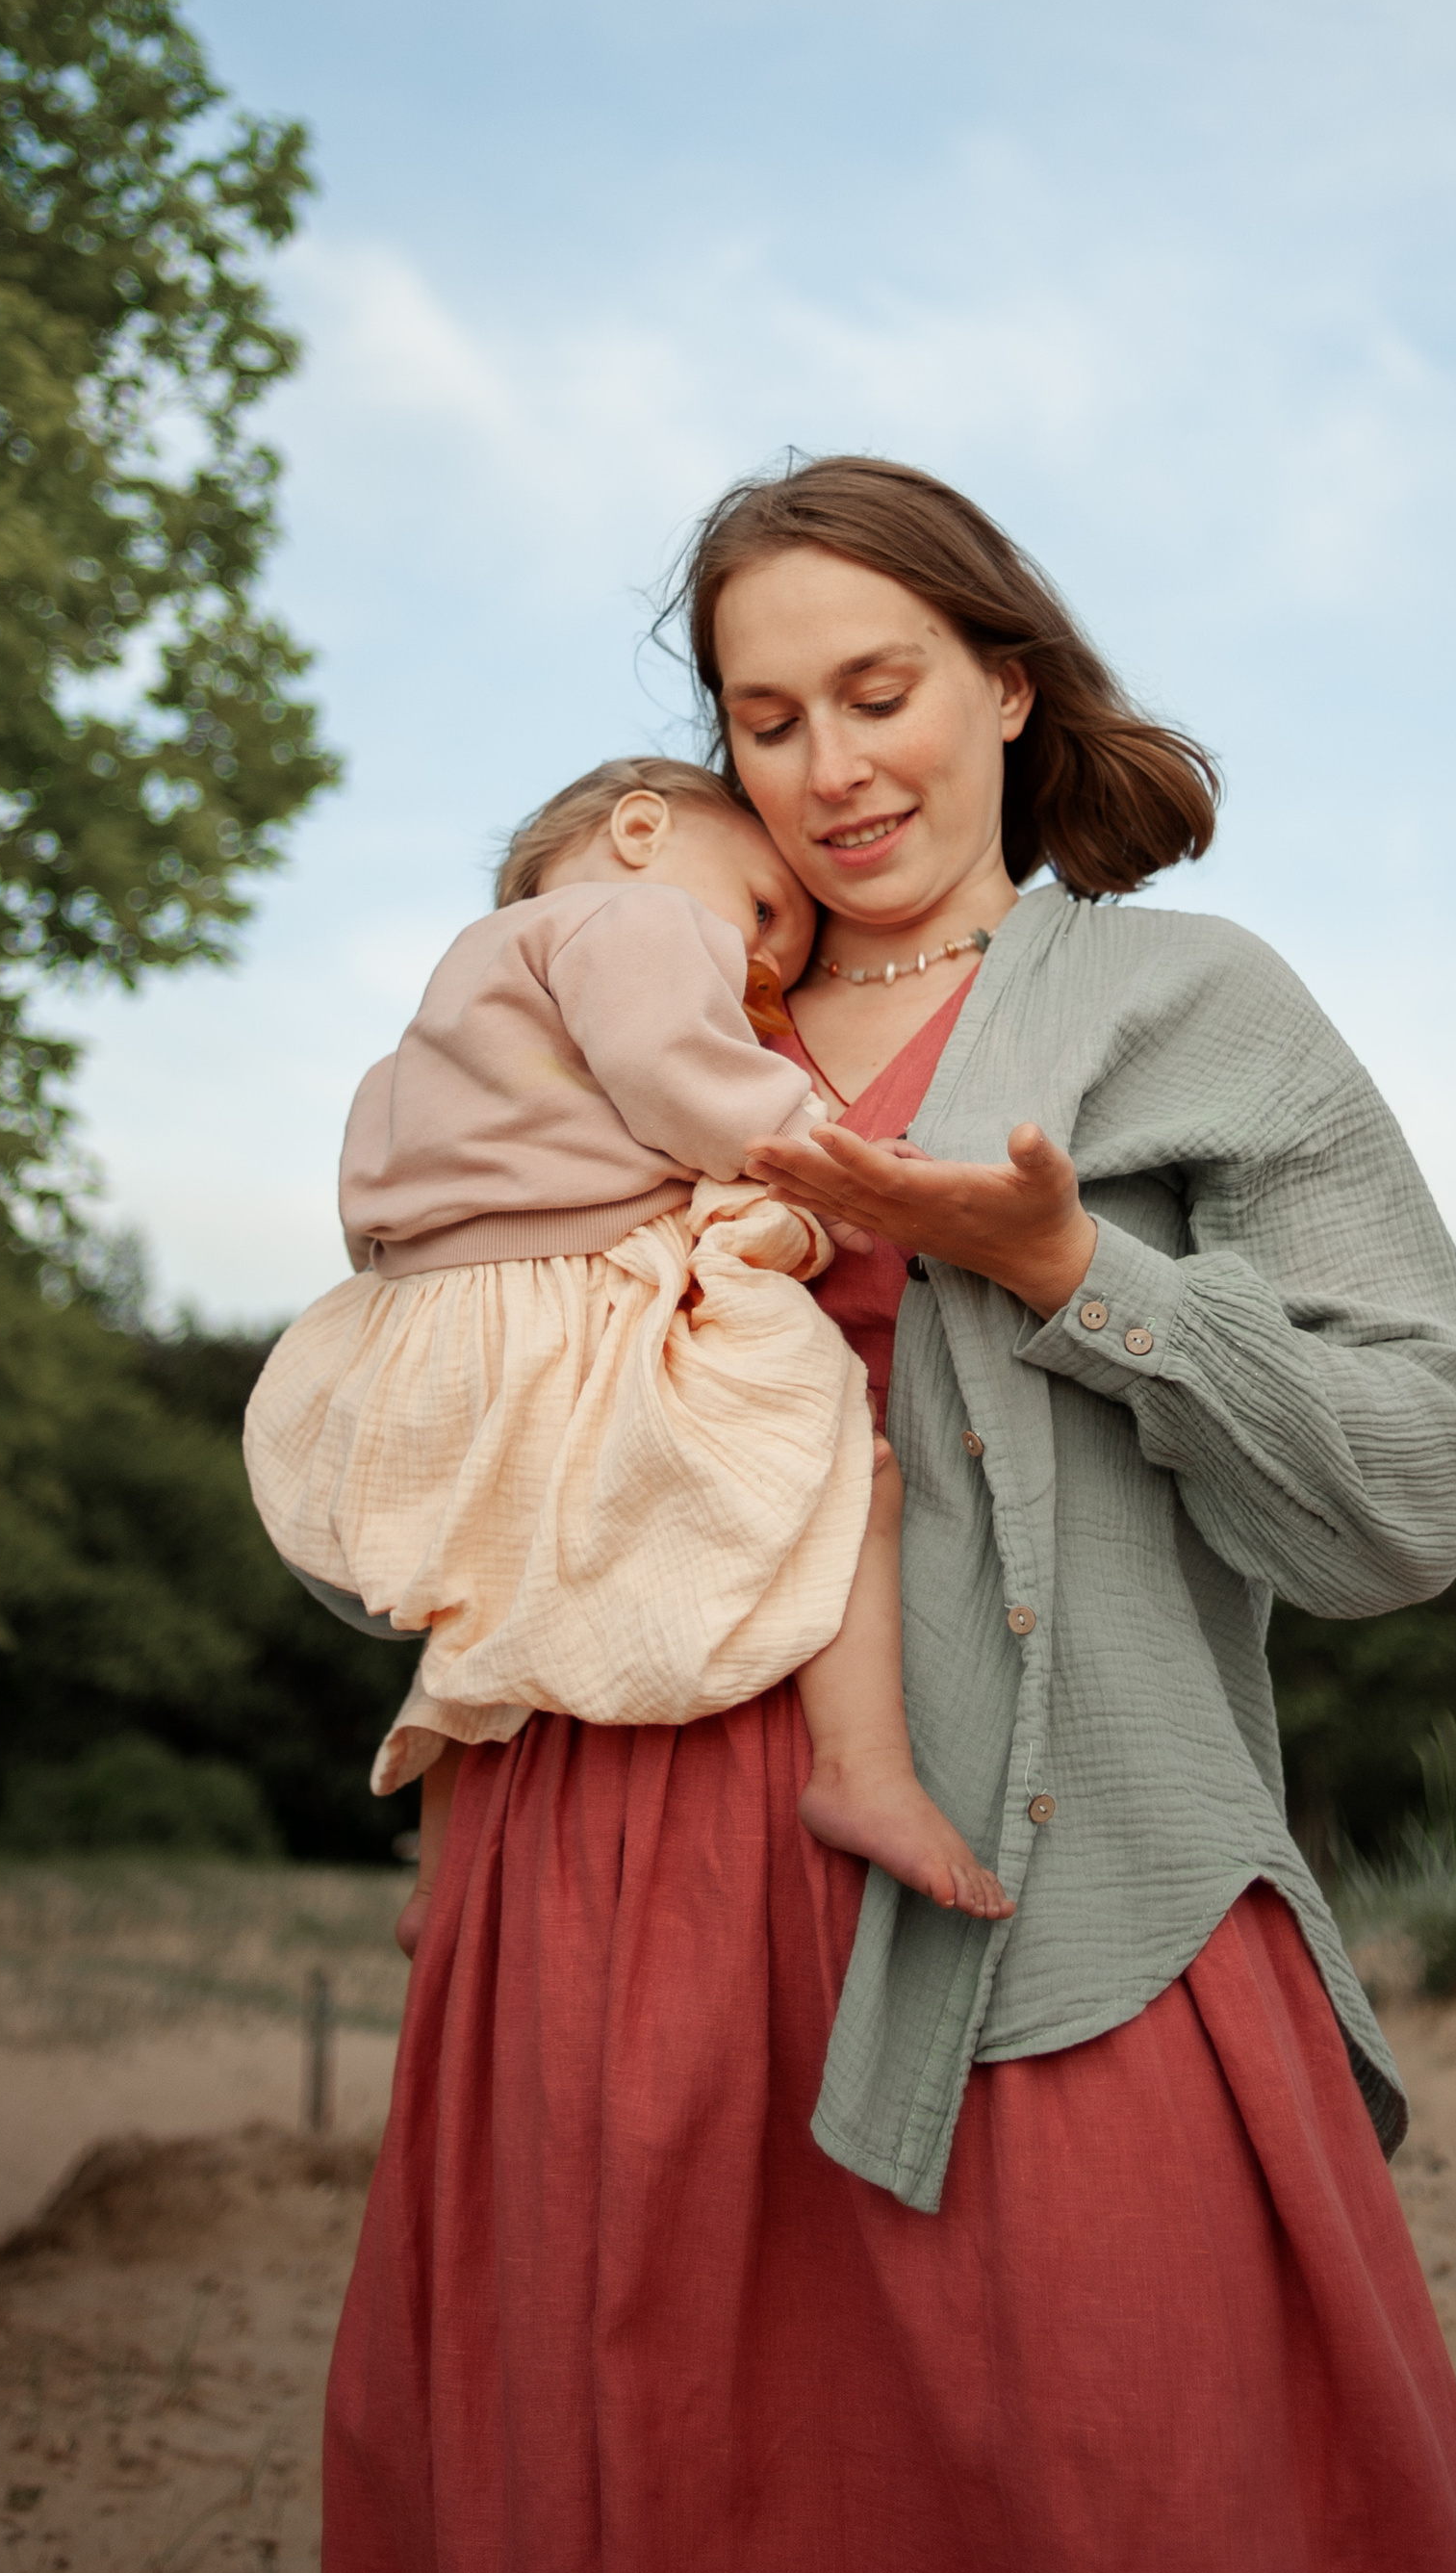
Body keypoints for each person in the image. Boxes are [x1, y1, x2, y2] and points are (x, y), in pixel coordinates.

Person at [322, 458, 1456, 2573]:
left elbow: (1406, 1490)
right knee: (648, 2527)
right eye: (761, 718)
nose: (824, 766)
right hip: (600, 1898)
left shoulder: (1186, 1005)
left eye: (873, 690)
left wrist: (1079, 1270)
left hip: (1049, 1891)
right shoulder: (636, 1010)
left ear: (1003, 680)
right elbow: (425, 1402)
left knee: (1127, 2510)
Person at [243, 752, 1013, 1944]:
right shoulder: (628, 914)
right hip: (565, 1293)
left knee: (491, 1589)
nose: (762, 964)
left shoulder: (455, 1002)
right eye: (762, 910)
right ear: (642, 830)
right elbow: (676, 1072)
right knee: (840, 1467)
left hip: (423, 1329)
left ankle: (437, 1883)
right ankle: (863, 1767)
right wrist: (832, 1166)